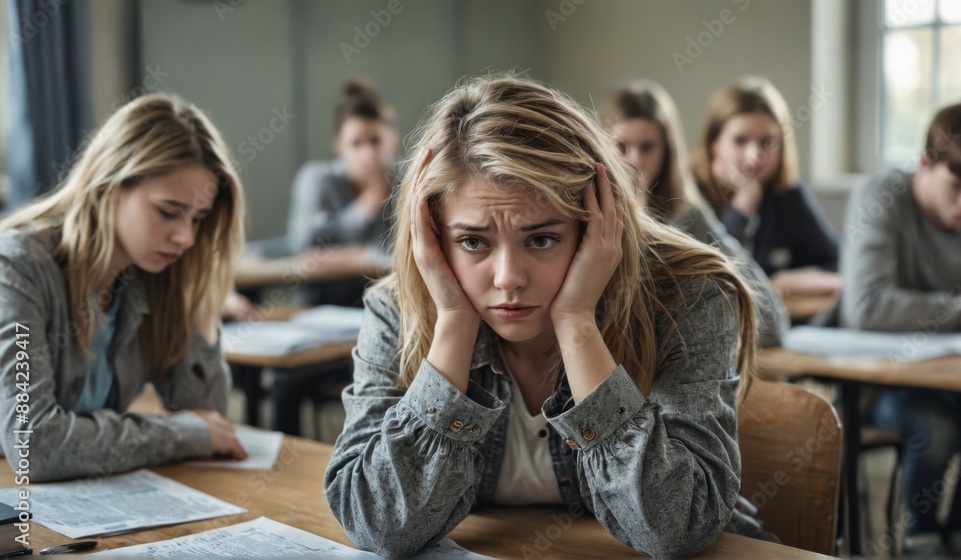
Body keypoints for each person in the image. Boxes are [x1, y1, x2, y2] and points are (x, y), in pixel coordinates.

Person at [324, 75, 776, 558]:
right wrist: (453, 320)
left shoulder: (687, 296)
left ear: (596, 225)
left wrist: (578, 322)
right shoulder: (400, 309)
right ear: (432, 236)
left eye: (541, 239)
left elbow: (677, 528)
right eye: (473, 242)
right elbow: (378, 526)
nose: (508, 278)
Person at [0, 93, 247, 482]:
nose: (185, 237)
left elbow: (208, 417)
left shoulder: (152, 275)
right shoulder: (16, 266)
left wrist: (202, 302)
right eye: (168, 211)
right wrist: (180, 434)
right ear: (110, 186)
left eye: (198, 219)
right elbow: (34, 445)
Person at [840, 103, 961, 559]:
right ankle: (921, 542)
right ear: (925, 163)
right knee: (935, 426)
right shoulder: (881, 195)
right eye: (957, 186)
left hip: (960, 371)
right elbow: (867, 308)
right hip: (881, 375)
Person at [599, 79, 787, 346]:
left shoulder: (690, 219)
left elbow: (770, 320)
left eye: (648, 147)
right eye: (621, 147)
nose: (636, 161)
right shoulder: (583, 219)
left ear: (668, 151)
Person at [690, 76, 841, 300]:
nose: (755, 155)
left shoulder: (788, 194)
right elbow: (705, 281)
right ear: (714, 145)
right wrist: (741, 211)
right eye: (740, 140)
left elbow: (836, 268)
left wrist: (781, 283)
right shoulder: (688, 194)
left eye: (767, 142)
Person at [285, 77, 396, 308]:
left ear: (389, 141)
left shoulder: (400, 181)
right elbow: (303, 249)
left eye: (375, 141)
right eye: (356, 143)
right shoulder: (318, 179)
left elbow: (407, 255)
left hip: (385, 303)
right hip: (321, 305)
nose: (368, 154)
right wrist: (368, 203)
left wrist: (361, 257)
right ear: (339, 147)